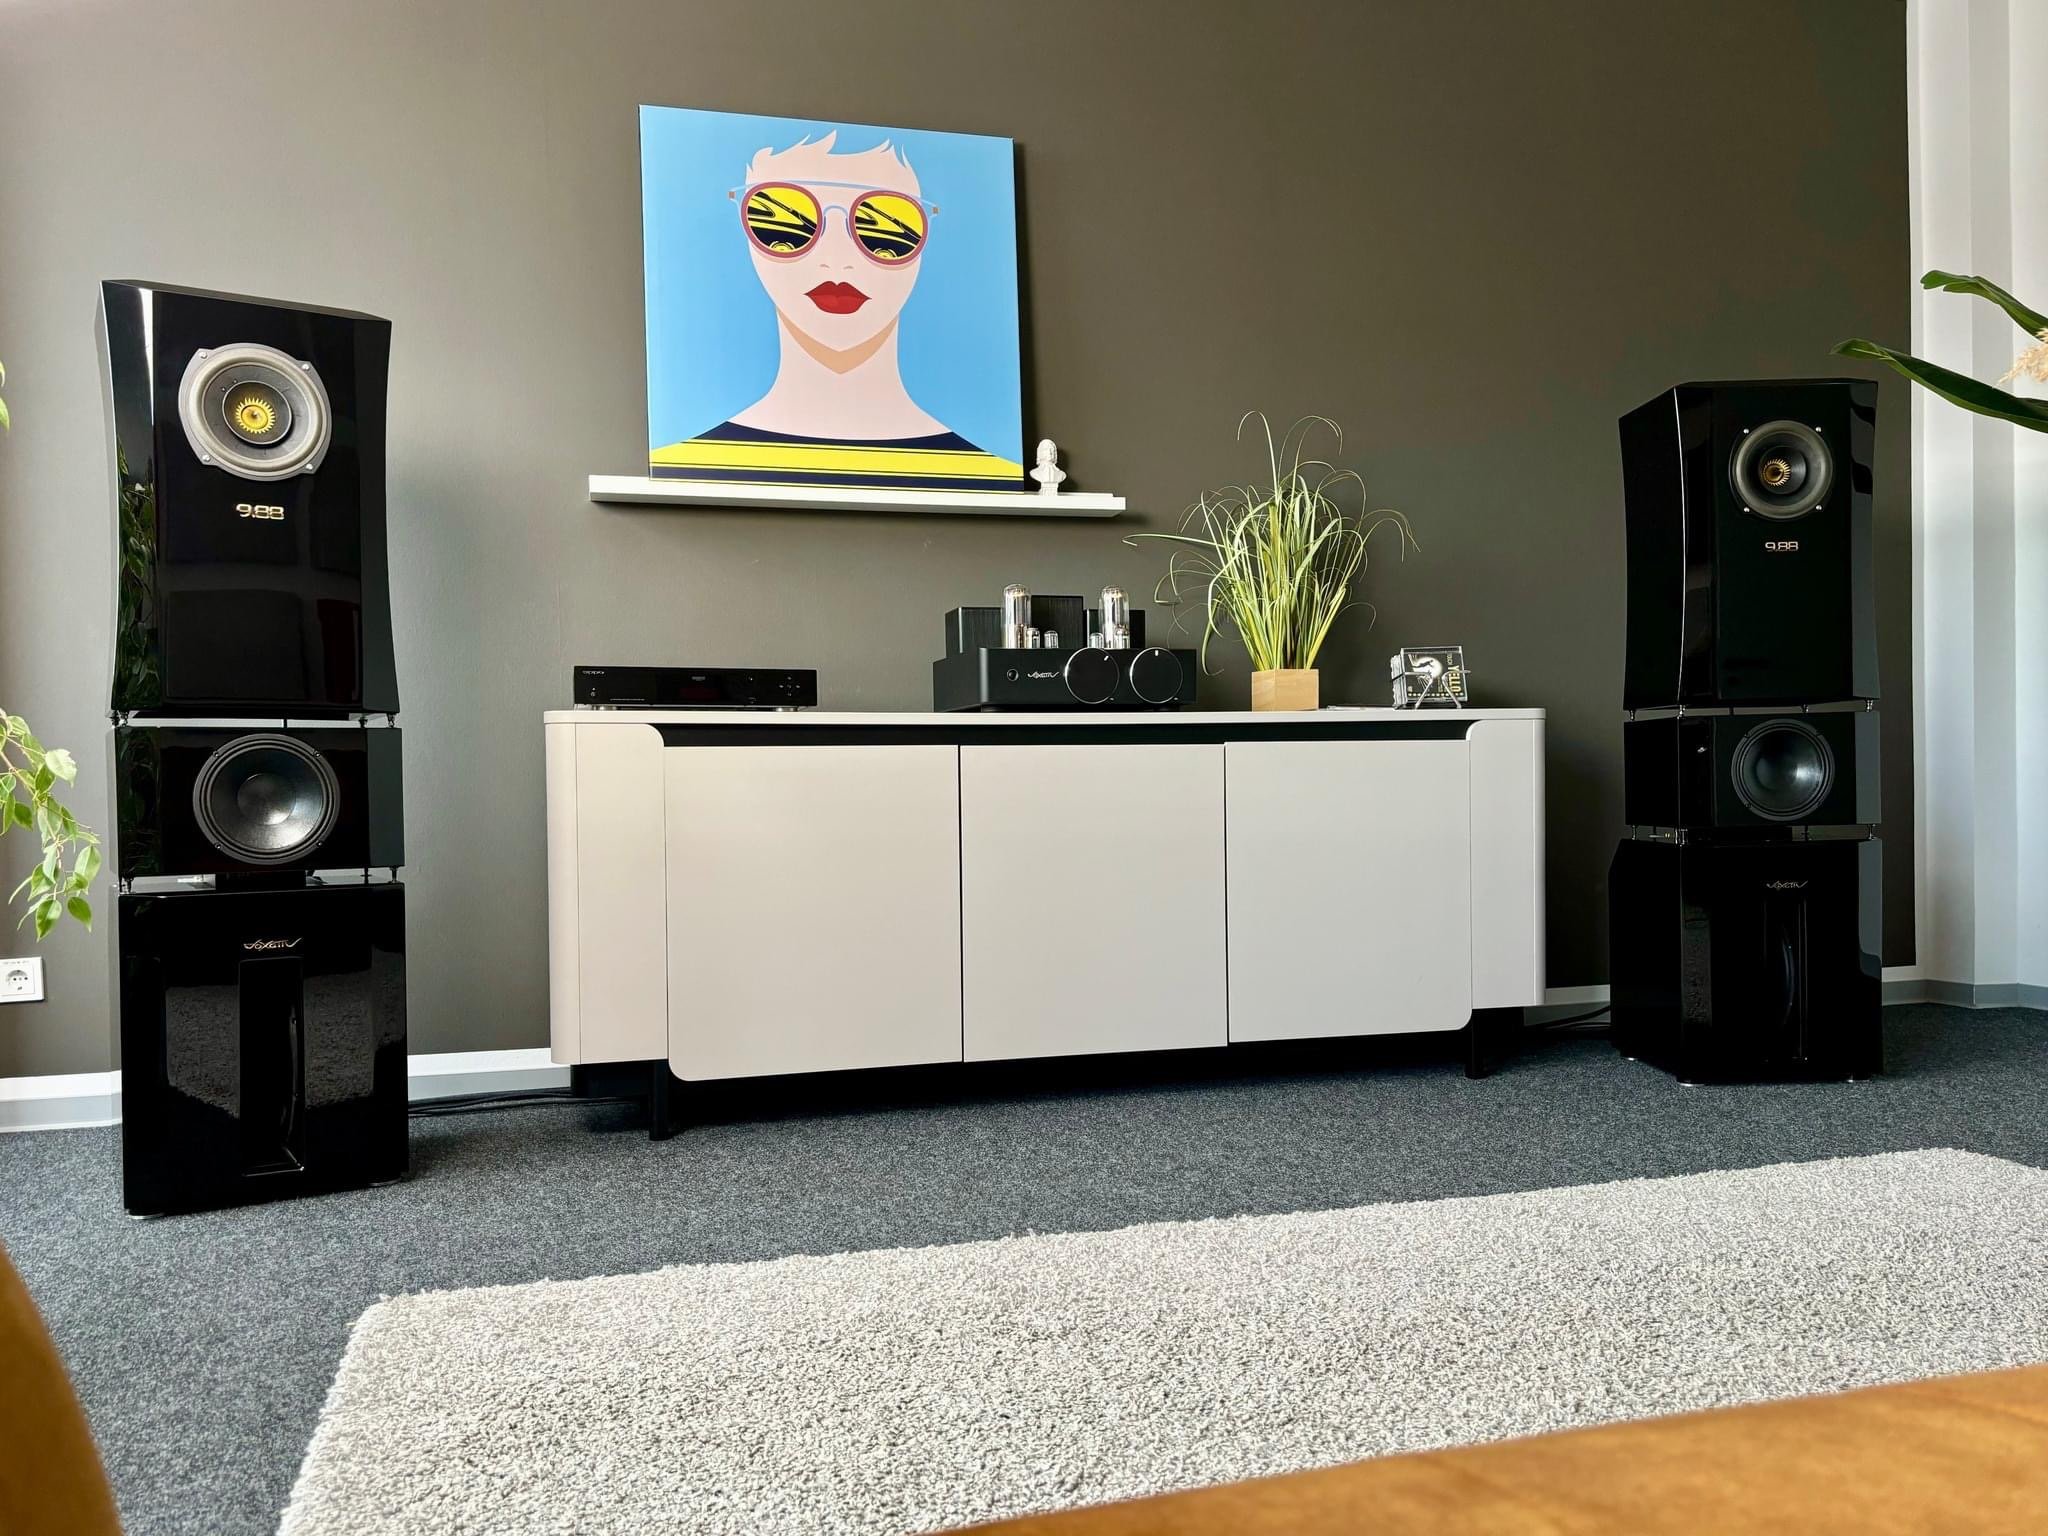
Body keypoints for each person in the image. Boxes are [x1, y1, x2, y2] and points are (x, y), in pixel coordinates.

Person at [651, 132, 1022, 491]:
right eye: (783, 224)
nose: (837, 259)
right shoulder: (685, 464)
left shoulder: (992, 476)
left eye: (887, 228)